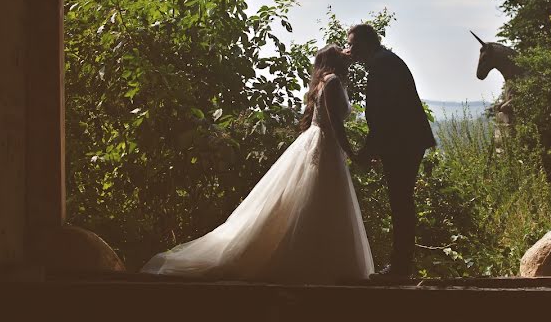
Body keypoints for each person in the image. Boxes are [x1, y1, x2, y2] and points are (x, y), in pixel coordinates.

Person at [140, 45, 373, 283]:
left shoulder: (323, 81)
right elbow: (335, 122)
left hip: (319, 142)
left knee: (316, 200)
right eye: (342, 52)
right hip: (325, 144)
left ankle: (315, 261)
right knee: (323, 199)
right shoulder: (333, 82)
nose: (347, 54)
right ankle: (321, 264)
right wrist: (352, 153)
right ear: (334, 60)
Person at [346, 24, 436, 278]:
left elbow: (383, 114)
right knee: (402, 201)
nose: (350, 50)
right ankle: (401, 264)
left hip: (402, 144)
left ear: (365, 43)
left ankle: (400, 267)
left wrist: (367, 150)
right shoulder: (386, 61)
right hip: (404, 142)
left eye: (352, 44)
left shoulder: (382, 64)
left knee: (401, 202)